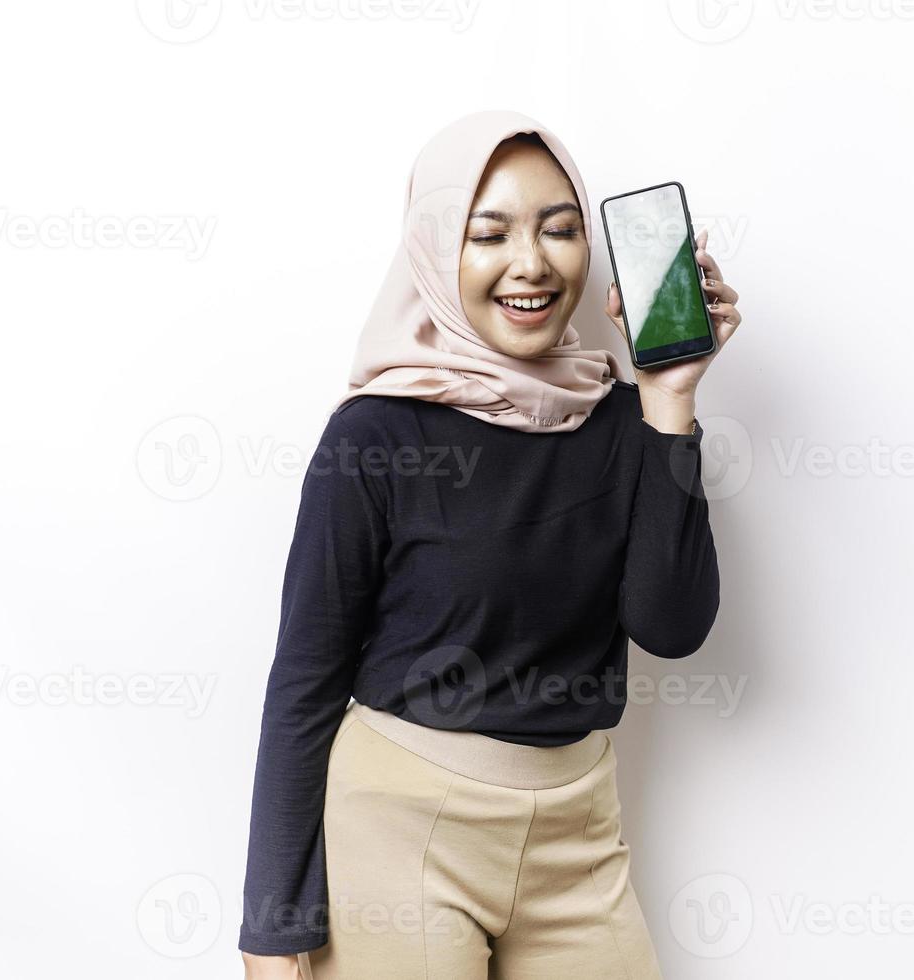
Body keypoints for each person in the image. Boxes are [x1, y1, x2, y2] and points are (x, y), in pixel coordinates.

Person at [239, 109, 741, 980]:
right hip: (402, 826)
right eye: (490, 233)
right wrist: (274, 923)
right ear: (438, 250)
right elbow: (305, 678)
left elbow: (671, 627)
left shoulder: (623, 419)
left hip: (578, 829)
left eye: (561, 229)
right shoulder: (374, 434)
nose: (532, 263)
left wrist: (670, 402)